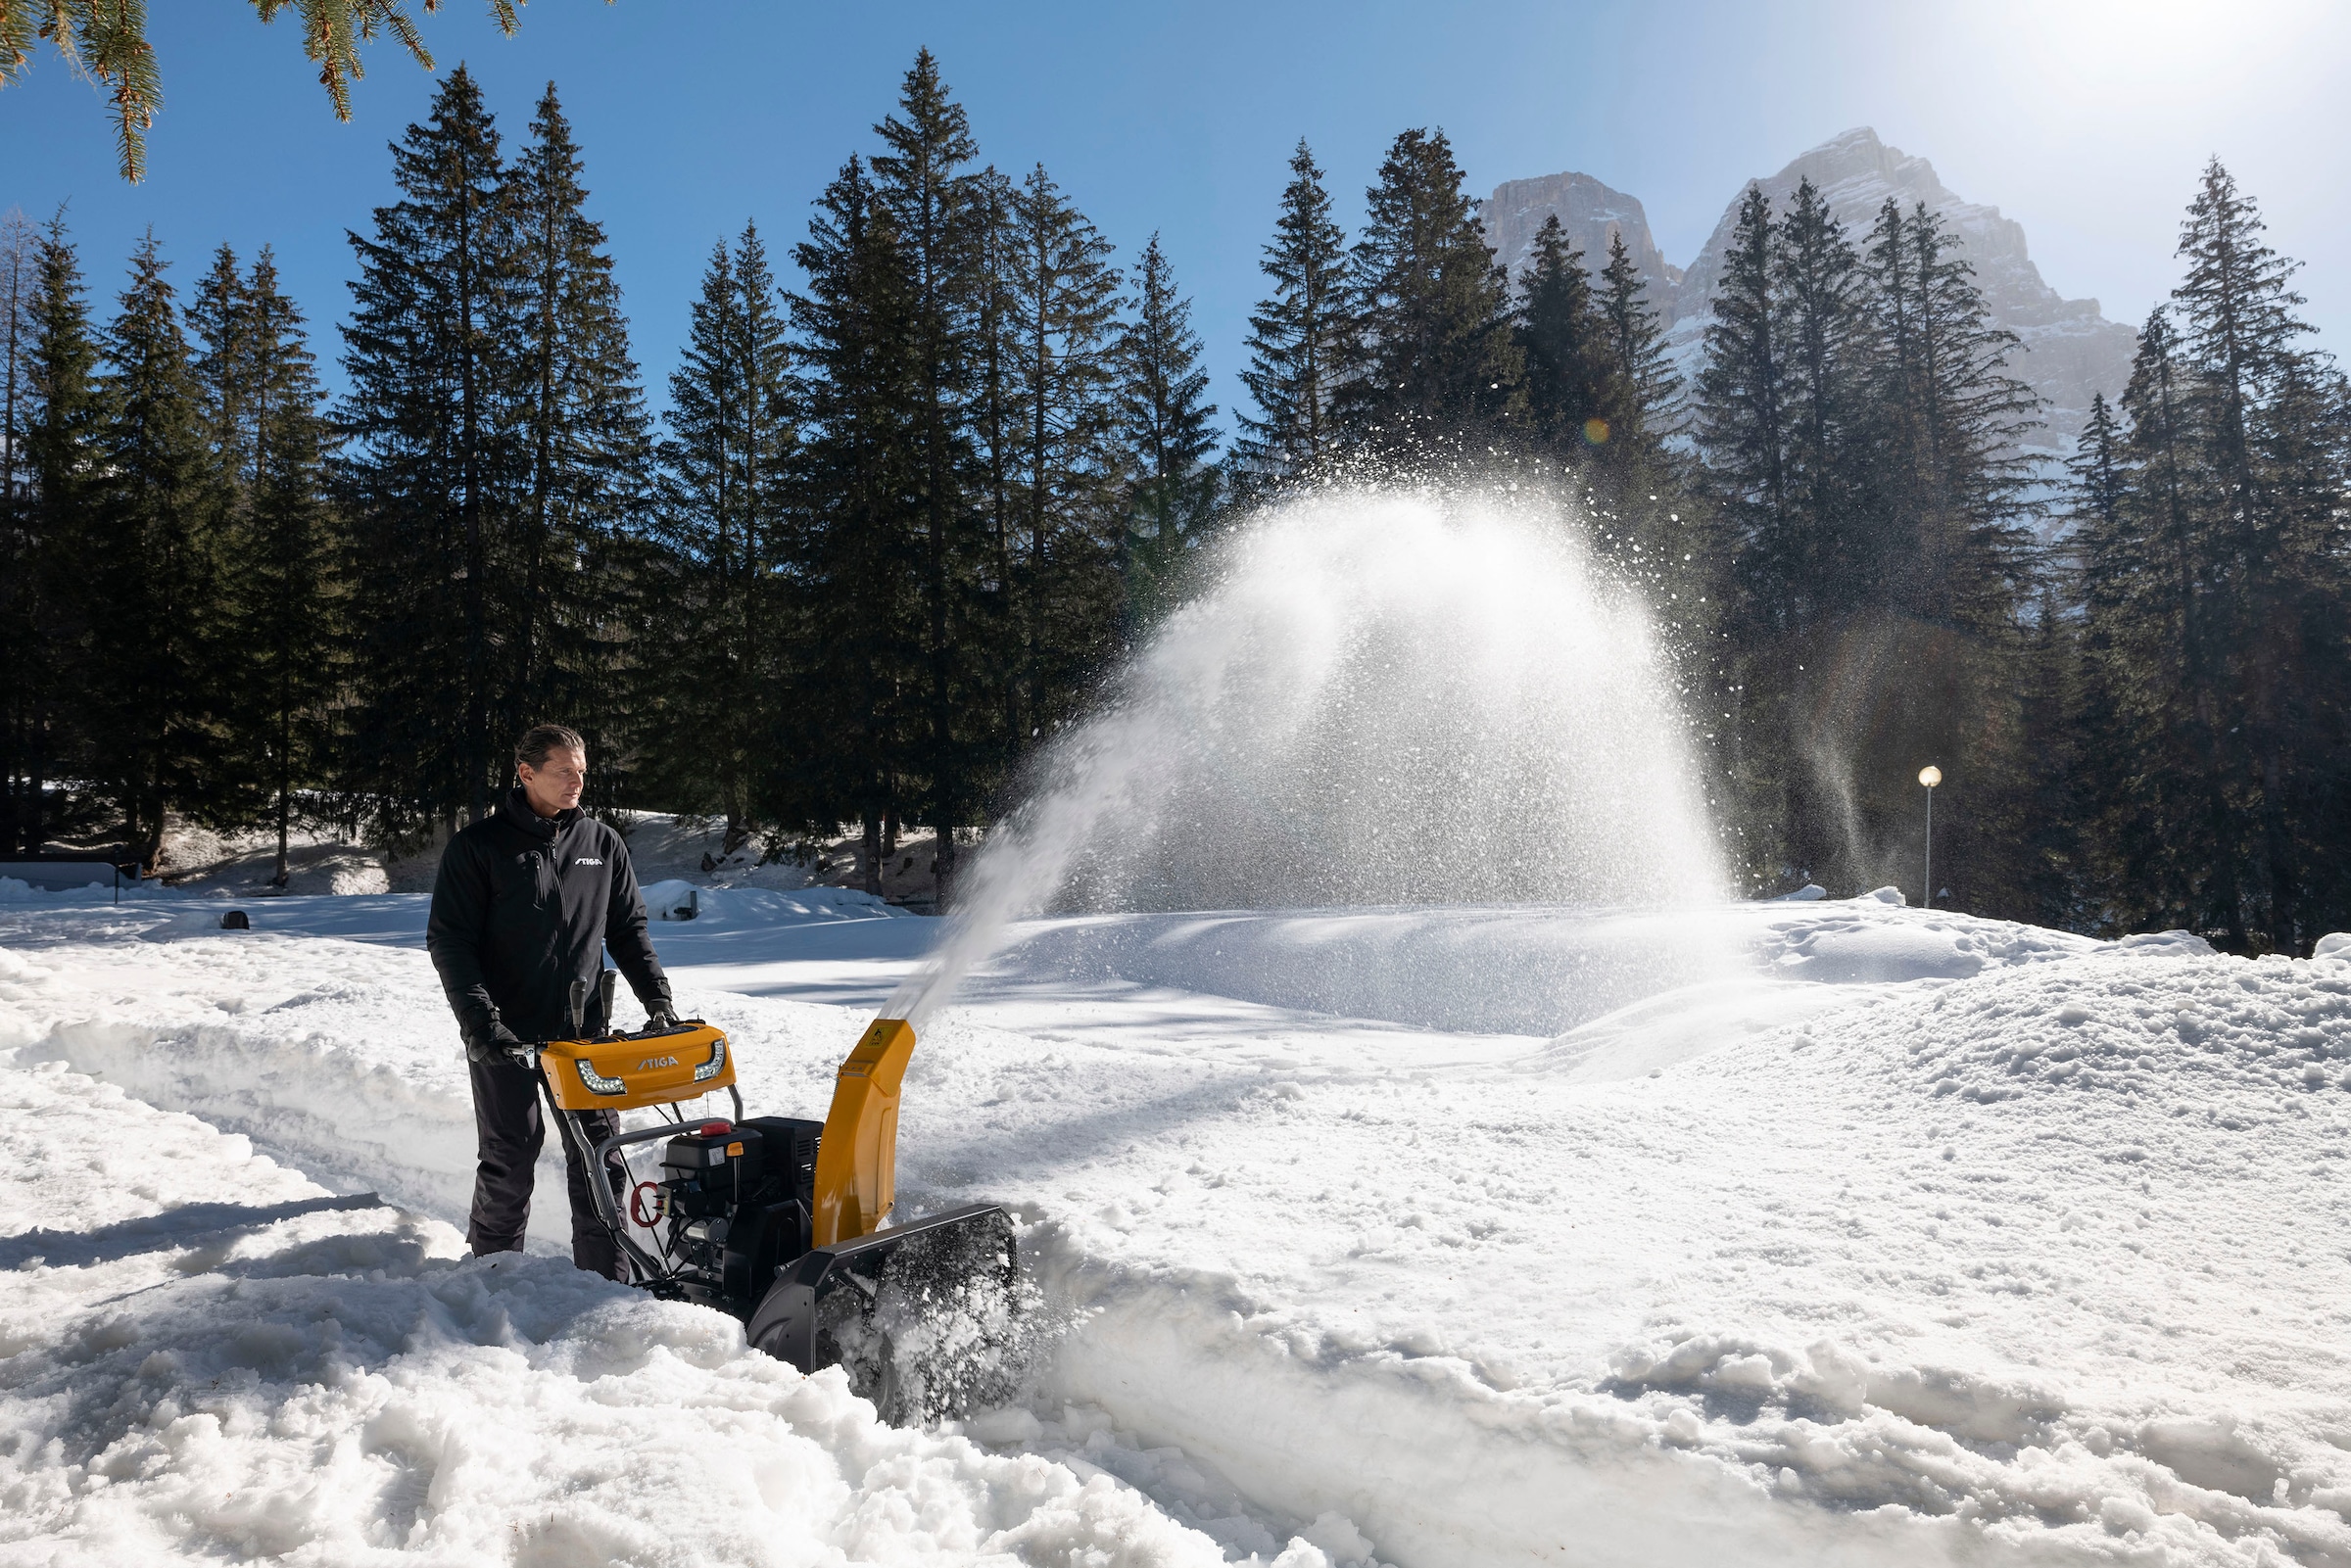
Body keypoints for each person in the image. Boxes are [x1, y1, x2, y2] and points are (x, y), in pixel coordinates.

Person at [426, 723, 677, 1277]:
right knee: (510, 1158)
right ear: (526, 772)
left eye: (581, 772)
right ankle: (491, 1276)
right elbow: (450, 941)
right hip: (505, 1036)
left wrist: (657, 1000)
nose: (576, 782)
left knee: (601, 1158)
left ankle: (602, 1283)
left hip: (584, 1036)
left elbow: (628, 931)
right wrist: (481, 1025)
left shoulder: (601, 843)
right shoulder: (480, 847)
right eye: (564, 770)